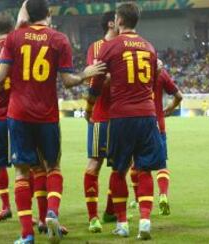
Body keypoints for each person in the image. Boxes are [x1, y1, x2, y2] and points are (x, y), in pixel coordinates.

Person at [0, 0, 106, 243]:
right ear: (48, 14)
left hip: (17, 114)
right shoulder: (59, 39)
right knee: (52, 167)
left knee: (22, 172)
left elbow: (0, 78)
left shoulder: (14, 38)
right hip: (46, 114)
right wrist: (85, 74)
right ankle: (51, 212)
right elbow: (68, 81)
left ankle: (26, 235)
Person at [87, 2, 165, 240]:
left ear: (119, 20)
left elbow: (97, 83)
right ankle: (144, 221)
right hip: (147, 114)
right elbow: (154, 81)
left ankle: (122, 223)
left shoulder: (110, 46)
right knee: (144, 170)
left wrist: (89, 107)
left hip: (121, 116)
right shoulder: (149, 47)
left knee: (118, 170)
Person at [130, 67, 183, 216]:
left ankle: (138, 199)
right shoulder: (160, 72)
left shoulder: (131, 70)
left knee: (137, 165)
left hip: (137, 123)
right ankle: (163, 195)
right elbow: (179, 96)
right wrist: (170, 108)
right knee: (162, 164)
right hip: (158, 124)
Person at [83, 11, 118, 233]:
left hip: (123, 117)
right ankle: (93, 216)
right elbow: (92, 78)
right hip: (101, 113)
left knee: (120, 167)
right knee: (95, 164)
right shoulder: (96, 48)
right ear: (111, 22)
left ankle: (109, 212)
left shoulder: (128, 45)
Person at [0, 13, 14, 222]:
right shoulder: (16, 46)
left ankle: (6, 205)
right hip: (20, 113)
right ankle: (34, 214)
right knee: (28, 165)